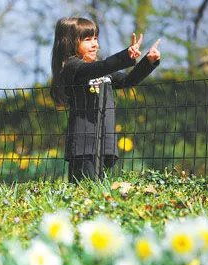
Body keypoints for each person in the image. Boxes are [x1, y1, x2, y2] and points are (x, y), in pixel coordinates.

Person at [50, 17, 161, 184]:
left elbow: (127, 81)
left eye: (96, 38)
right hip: (83, 145)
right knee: (84, 192)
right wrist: (126, 55)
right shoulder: (73, 68)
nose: (95, 44)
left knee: (97, 194)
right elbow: (101, 67)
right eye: (88, 40)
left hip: (103, 141)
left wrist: (148, 62)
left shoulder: (99, 71)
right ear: (69, 43)